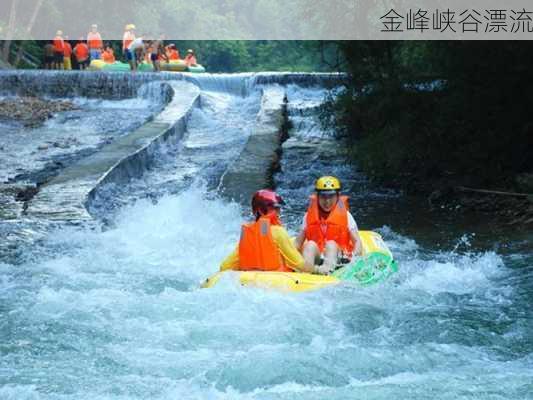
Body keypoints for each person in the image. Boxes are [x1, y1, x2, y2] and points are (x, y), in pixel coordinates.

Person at [220, 190, 305, 272]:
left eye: (278, 209)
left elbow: (224, 267)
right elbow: (301, 265)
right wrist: (315, 269)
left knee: (294, 241)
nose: (278, 212)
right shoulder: (279, 232)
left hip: (251, 282)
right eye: (274, 208)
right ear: (260, 211)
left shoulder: (247, 235)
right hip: (279, 280)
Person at [295, 176, 363, 275]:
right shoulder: (308, 216)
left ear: (337, 196)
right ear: (317, 196)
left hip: (339, 258)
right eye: (323, 197)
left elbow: (357, 242)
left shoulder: (347, 216)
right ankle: (307, 273)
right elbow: (297, 243)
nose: (327, 201)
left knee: (331, 244)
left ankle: (327, 272)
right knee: (309, 245)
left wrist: (354, 258)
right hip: (318, 257)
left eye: (331, 196)